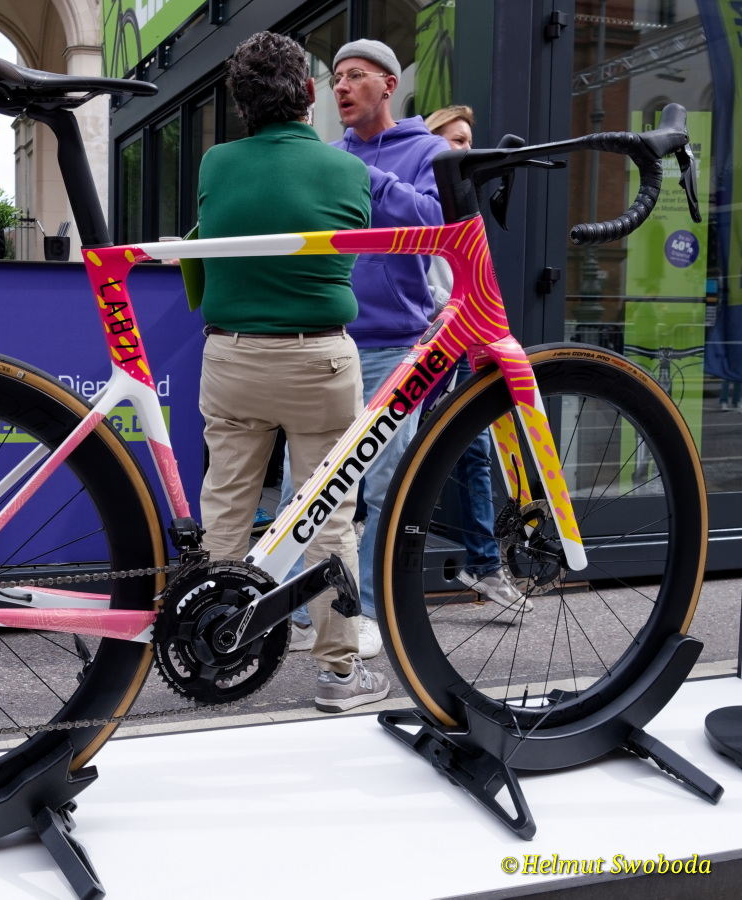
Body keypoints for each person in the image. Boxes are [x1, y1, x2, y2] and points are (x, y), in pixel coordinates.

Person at [196, 30, 389, 714]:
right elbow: (350, 250)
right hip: (319, 359)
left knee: (227, 507)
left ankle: (209, 648)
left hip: (232, 355)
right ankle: (339, 674)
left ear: (241, 103)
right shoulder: (346, 169)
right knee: (328, 514)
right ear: (309, 92)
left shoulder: (216, 163)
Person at [326, 38, 450, 655]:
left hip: (397, 345)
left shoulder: (428, 150)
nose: (341, 87)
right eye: (335, 78)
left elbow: (433, 222)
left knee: (382, 487)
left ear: (388, 84)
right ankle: (311, 614)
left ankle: (372, 610)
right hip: (329, 336)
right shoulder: (329, 156)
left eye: (355, 75)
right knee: (313, 485)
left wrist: (366, 178)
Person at [424, 104, 532, 614]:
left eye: (469, 140)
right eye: (456, 140)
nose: (466, 149)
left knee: (475, 452)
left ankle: (485, 566)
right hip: (424, 340)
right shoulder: (424, 199)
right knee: (393, 454)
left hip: (460, 341)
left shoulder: (464, 206)